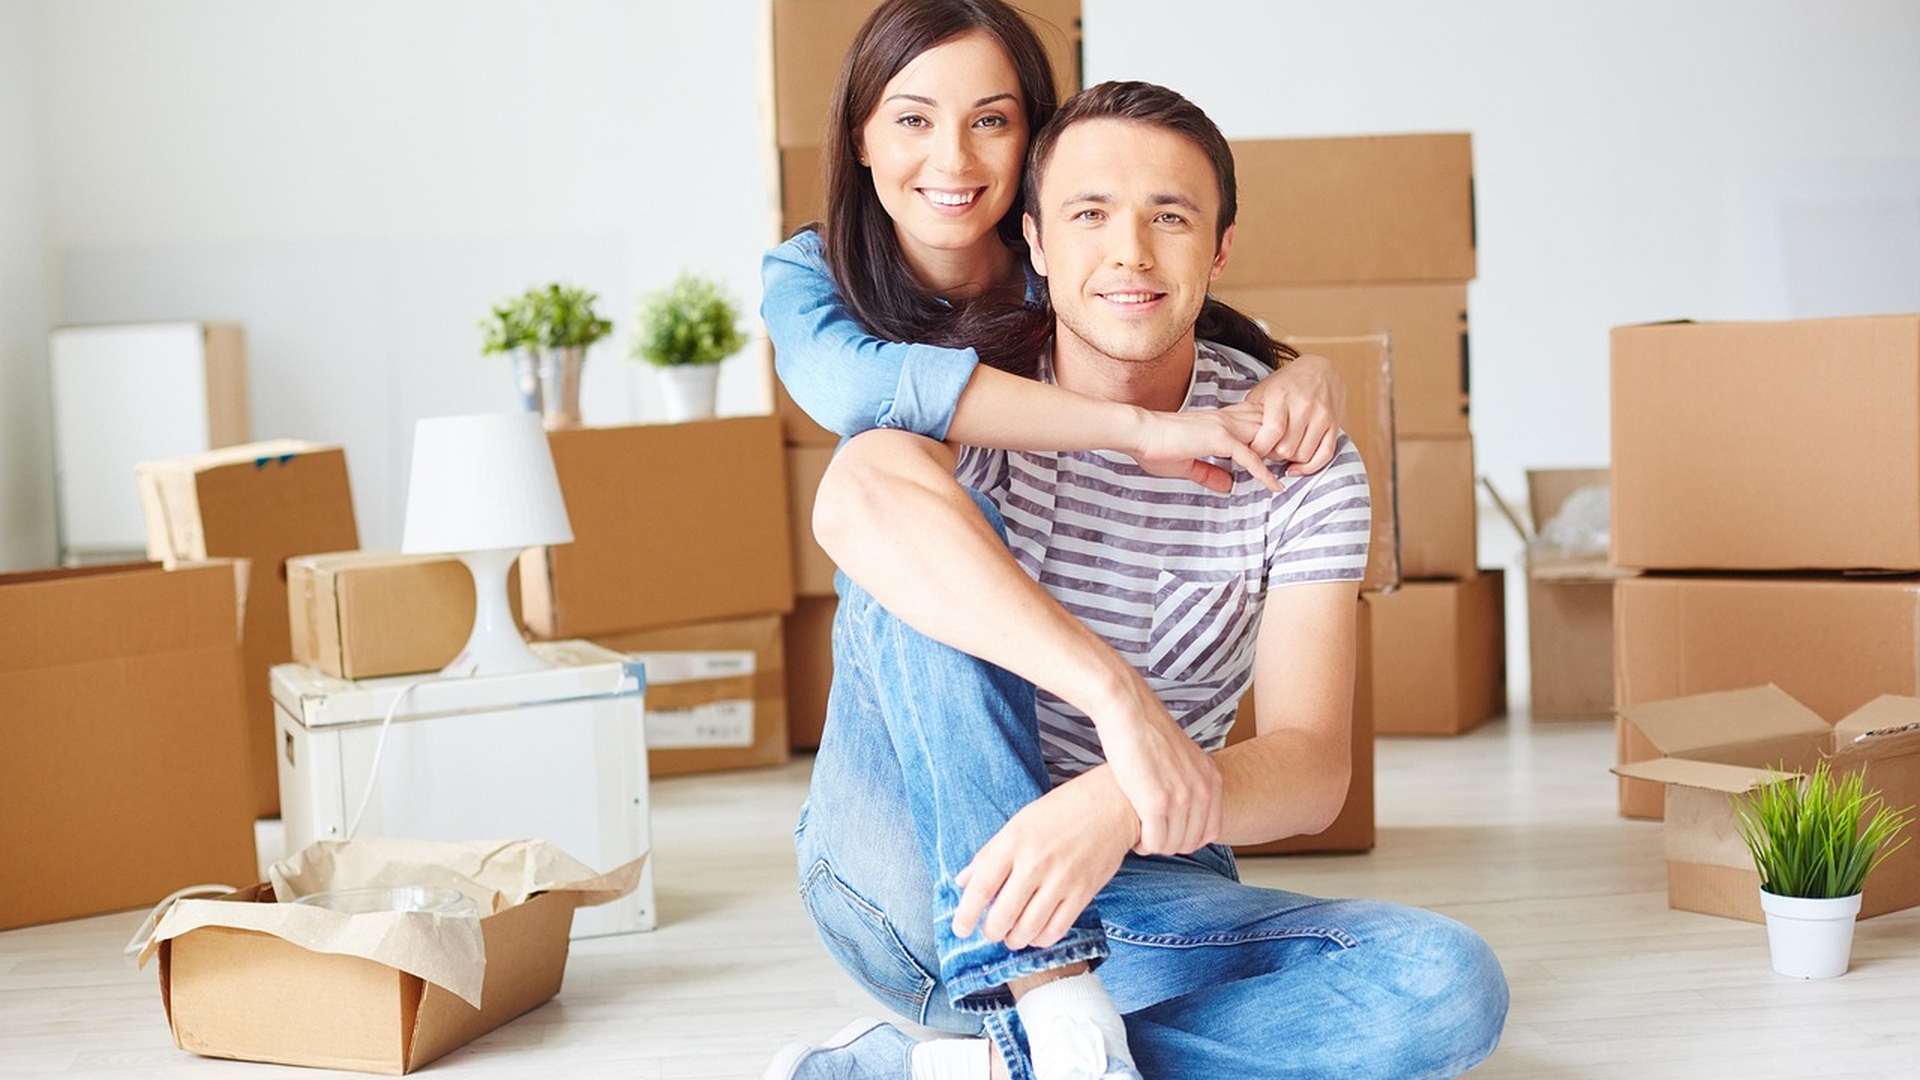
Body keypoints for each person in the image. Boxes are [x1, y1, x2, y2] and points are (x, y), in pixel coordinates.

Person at [764, 77, 1509, 1080]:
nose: (1131, 253)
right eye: (1089, 215)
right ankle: (1041, 988)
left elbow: (1312, 769)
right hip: (910, 877)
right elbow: (855, 495)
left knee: (1446, 982)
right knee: (920, 545)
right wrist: (1114, 698)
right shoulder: (976, 392)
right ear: (1033, 240)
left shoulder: (1296, 459)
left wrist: (1116, 802)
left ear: (1221, 247)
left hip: (1141, 889)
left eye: (1170, 217)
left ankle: (965, 1069)